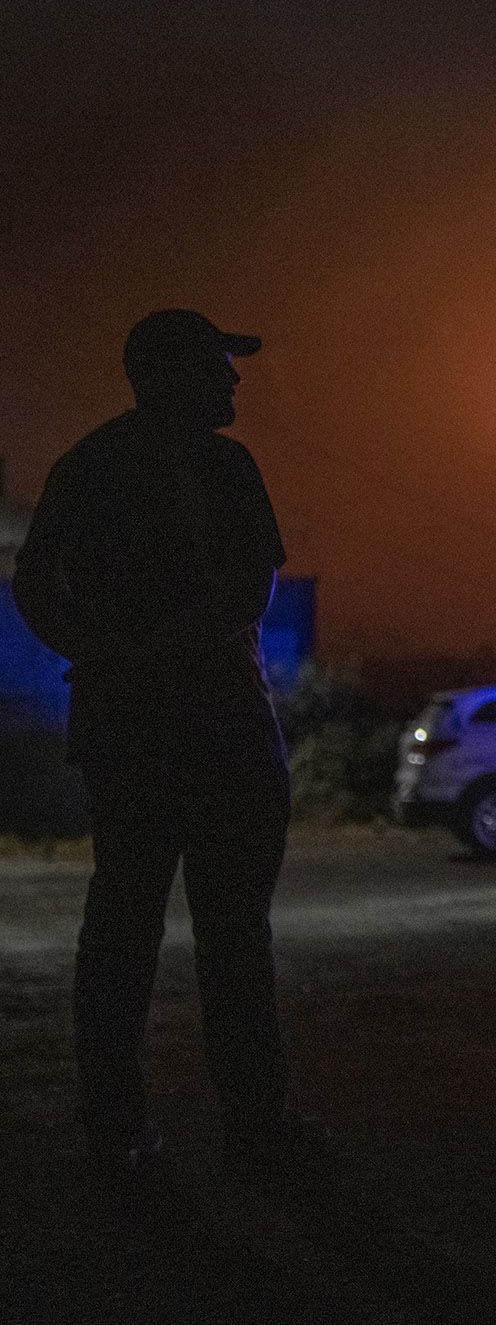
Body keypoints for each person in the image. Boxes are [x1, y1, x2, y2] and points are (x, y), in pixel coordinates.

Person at [14, 309, 310, 1183]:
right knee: (231, 936)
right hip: (219, 728)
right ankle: (255, 1126)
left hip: (126, 730)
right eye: (220, 365)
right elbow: (250, 587)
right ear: (173, 373)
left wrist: (99, 650)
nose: (234, 381)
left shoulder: (87, 464)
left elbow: (35, 583)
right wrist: (171, 646)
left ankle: (115, 1122)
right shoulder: (221, 465)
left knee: (122, 928)